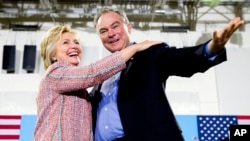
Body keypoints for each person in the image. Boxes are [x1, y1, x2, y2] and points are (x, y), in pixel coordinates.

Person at [90, 7, 244, 141]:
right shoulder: (100, 75)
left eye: (115, 26)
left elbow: (181, 59)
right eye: (103, 31)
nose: (110, 33)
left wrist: (211, 48)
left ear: (128, 27)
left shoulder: (149, 53)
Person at [33, 25, 162, 141]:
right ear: (52, 54)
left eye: (76, 42)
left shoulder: (78, 89)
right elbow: (93, 73)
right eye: (65, 43)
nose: (74, 46)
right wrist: (135, 48)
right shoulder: (55, 73)